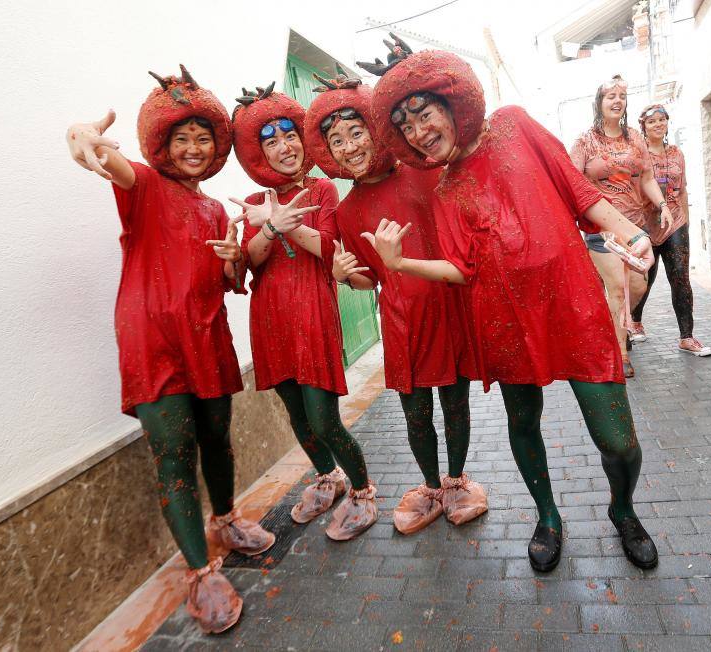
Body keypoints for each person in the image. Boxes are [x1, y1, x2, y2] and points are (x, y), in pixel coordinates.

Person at [362, 39, 659, 571]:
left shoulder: (514, 123)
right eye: (406, 127)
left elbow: (578, 192)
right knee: (523, 423)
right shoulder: (445, 190)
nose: (419, 132)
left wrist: (631, 232)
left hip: (573, 306)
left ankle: (623, 509)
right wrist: (398, 263)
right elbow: (459, 268)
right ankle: (547, 515)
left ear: (452, 104)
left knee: (619, 440)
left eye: (425, 115)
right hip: (505, 322)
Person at [65, 66, 274, 634]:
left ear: (216, 148)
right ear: (160, 144)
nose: (193, 148)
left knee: (217, 440)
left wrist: (237, 255)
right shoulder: (142, 184)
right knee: (174, 456)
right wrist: (82, 137)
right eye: (180, 139)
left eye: (203, 138)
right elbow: (107, 162)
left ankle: (226, 521)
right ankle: (201, 572)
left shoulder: (214, 211)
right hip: (152, 344)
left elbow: (229, 277)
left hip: (208, 339)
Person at [303, 72, 486, 535]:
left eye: (356, 132)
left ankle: (457, 479)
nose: (348, 146)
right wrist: (346, 276)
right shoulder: (346, 211)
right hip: (401, 321)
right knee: (415, 412)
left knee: (456, 404)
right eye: (337, 140)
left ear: (375, 129)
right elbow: (370, 279)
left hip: (449, 308)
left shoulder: (427, 171)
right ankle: (429, 484)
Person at [223, 84, 377, 541]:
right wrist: (263, 230)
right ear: (258, 152)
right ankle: (326, 477)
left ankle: (364, 491)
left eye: (289, 135)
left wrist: (282, 225)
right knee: (296, 415)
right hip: (270, 318)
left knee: (325, 417)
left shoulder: (322, 189)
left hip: (312, 310)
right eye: (270, 140)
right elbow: (248, 265)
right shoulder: (253, 204)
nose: (284, 146)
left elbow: (330, 249)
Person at [570, 75, 674, 377]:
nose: (617, 101)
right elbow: (572, 183)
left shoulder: (634, 139)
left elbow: (647, 178)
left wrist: (663, 205)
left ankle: (612, 325)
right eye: (610, 96)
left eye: (621, 96)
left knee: (638, 285)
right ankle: (620, 353)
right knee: (618, 287)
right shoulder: (584, 141)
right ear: (599, 103)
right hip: (600, 230)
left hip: (635, 229)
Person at [631, 104, 711, 356]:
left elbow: (683, 188)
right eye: (652, 121)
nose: (658, 124)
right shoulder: (637, 154)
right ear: (643, 125)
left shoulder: (677, 153)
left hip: (675, 221)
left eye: (662, 119)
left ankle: (686, 337)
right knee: (645, 278)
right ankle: (634, 322)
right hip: (645, 224)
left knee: (680, 278)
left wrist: (685, 218)